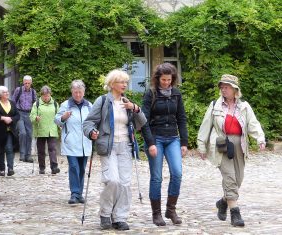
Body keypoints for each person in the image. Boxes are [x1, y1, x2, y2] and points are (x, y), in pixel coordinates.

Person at [197, 74, 266, 227]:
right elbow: (205, 125)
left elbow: (253, 124)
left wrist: (260, 138)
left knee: (238, 179)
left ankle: (223, 202)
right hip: (222, 145)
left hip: (239, 145)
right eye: (222, 87)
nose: (223, 89)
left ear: (235, 89)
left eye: (226, 87)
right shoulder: (215, 105)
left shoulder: (244, 106)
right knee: (230, 178)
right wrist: (201, 145)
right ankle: (235, 213)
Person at [83, 69, 147, 231]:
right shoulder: (103, 101)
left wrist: (135, 108)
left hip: (125, 146)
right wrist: (92, 132)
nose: (124, 84)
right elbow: (88, 122)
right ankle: (105, 213)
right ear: (112, 84)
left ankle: (120, 217)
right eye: (121, 82)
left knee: (125, 183)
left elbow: (141, 123)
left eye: (126, 82)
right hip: (108, 146)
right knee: (113, 180)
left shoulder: (127, 102)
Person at [141, 63, 188, 227]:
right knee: (157, 177)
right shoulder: (150, 94)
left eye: (169, 80)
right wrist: (150, 143)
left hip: (173, 138)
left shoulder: (176, 94)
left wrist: (184, 142)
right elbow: (143, 120)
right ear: (157, 78)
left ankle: (171, 209)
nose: (166, 83)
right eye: (163, 79)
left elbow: (181, 118)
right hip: (156, 138)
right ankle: (157, 214)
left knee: (177, 173)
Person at [55, 80, 92, 204]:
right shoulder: (66, 104)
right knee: (74, 167)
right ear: (72, 92)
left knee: (81, 168)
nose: (77, 95)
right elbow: (57, 120)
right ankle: (74, 193)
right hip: (70, 142)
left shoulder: (89, 106)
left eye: (80, 92)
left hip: (85, 142)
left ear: (83, 92)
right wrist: (63, 117)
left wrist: (94, 131)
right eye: (75, 92)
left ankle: (79, 193)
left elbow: (93, 121)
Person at [30, 85, 60, 175]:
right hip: (40, 130)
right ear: (41, 95)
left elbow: (58, 116)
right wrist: (36, 118)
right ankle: (42, 167)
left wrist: (60, 124)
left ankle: (54, 167)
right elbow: (31, 116)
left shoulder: (55, 103)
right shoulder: (37, 104)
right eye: (44, 96)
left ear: (50, 94)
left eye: (48, 95)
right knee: (41, 150)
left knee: (52, 149)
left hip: (52, 130)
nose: (46, 97)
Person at [0, 86, 20, 176]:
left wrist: (11, 119)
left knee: (9, 148)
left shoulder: (12, 103)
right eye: (4, 92)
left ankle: (10, 168)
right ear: (0, 94)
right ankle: (2, 169)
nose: (7, 93)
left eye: (7, 92)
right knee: (1, 150)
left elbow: (17, 115)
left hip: (11, 130)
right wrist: (2, 118)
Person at [12, 75, 37, 163]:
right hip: (20, 113)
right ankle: (22, 154)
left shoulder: (33, 92)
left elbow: (35, 104)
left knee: (29, 134)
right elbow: (13, 101)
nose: (27, 84)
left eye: (28, 83)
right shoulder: (18, 90)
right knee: (22, 133)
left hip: (29, 114)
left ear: (31, 83)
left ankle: (28, 155)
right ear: (23, 82)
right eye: (25, 83)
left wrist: (35, 114)